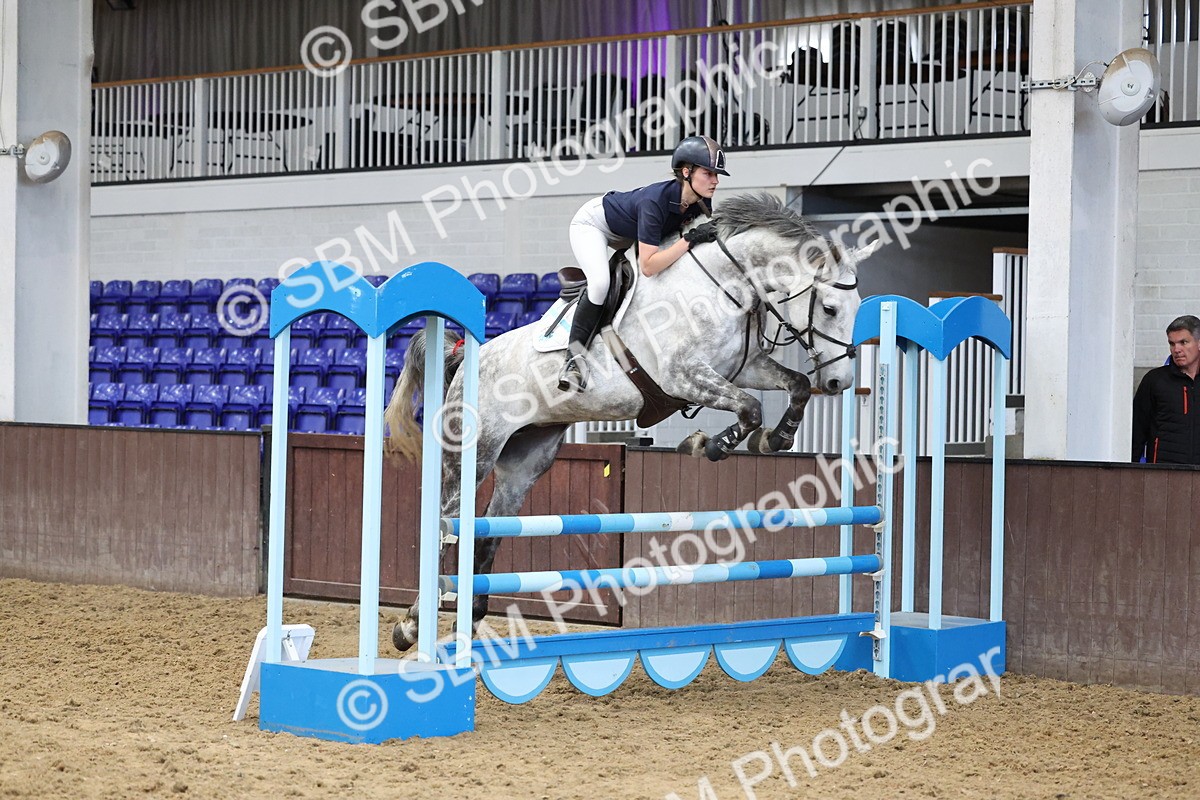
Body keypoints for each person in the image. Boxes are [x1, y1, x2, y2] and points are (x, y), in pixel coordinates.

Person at [557, 135, 729, 392]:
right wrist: (690, 241)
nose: (715, 181)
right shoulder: (655, 202)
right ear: (686, 172)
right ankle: (573, 360)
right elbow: (648, 266)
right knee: (601, 283)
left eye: (717, 175)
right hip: (594, 225)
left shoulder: (700, 201)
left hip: (630, 233)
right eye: (709, 173)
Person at [1132, 314, 1200, 464]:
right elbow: (1136, 432)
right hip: (1162, 476)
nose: (1176, 349)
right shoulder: (1155, 380)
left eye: (1183, 342)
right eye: (1172, 343)